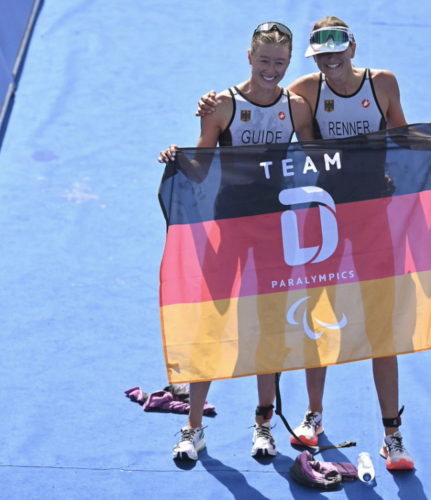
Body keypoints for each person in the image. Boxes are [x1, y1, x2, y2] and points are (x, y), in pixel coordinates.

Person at [195, 16, 431, 471]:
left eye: (337, 52)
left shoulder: (384, 83)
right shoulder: (304, 93)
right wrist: (210, 105)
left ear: (353, 47)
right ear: (312, 57)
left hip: (374, 217)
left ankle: (393, 435)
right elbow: (270, 108)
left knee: (381, 326)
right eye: (322, 56)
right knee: (320, 315)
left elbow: (399, 136)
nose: (330, 62)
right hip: (328, 219)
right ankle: (313, 415)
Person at [158, 22, 315, 461]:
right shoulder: (222, 105)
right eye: (264, 60)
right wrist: (178, 158)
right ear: (249, 56)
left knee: (269, 325)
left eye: (280, 63)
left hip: (273, 228)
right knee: (212, 319)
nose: (271, 70)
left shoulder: (297, 108)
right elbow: (202, 166)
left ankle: (263, 425)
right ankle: (193, 428)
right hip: (228, 226)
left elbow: (325, 161)